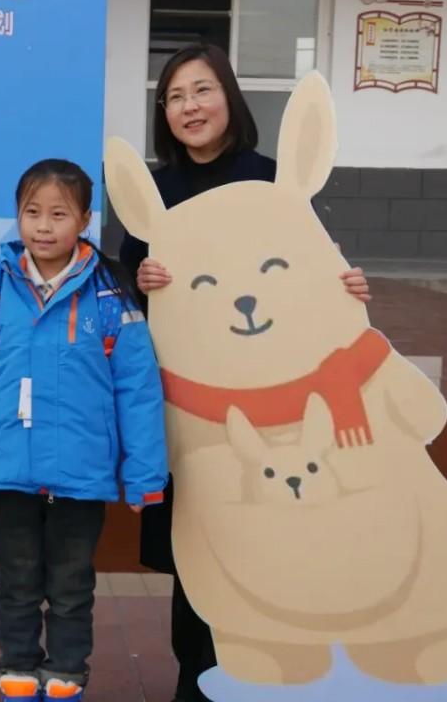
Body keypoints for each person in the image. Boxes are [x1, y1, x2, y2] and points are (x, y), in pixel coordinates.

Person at [119, 45, 372, 702]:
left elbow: (311, 269)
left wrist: (346, 287)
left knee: (274, 537)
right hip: (193, 409)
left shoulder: (273, 181)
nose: (190, 107)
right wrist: (140, 279)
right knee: (202, 546)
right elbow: (128, 290)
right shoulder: (156, 193)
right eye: (175, 97)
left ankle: (276, 673)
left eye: (202, 90)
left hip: (275, 406)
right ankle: (196, 680)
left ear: (229, 96)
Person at [0, 159, 168, 702]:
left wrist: (145, 476)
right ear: (18, 216)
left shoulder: (111, 294)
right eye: (33, 213)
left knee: (73, 585)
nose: (44, 226)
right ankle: (18, 670)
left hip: (82, 472)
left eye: (59, 214)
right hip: (9, 468)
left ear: (85, 220)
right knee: (17, 581)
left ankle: (67, 674)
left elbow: (138, 389)